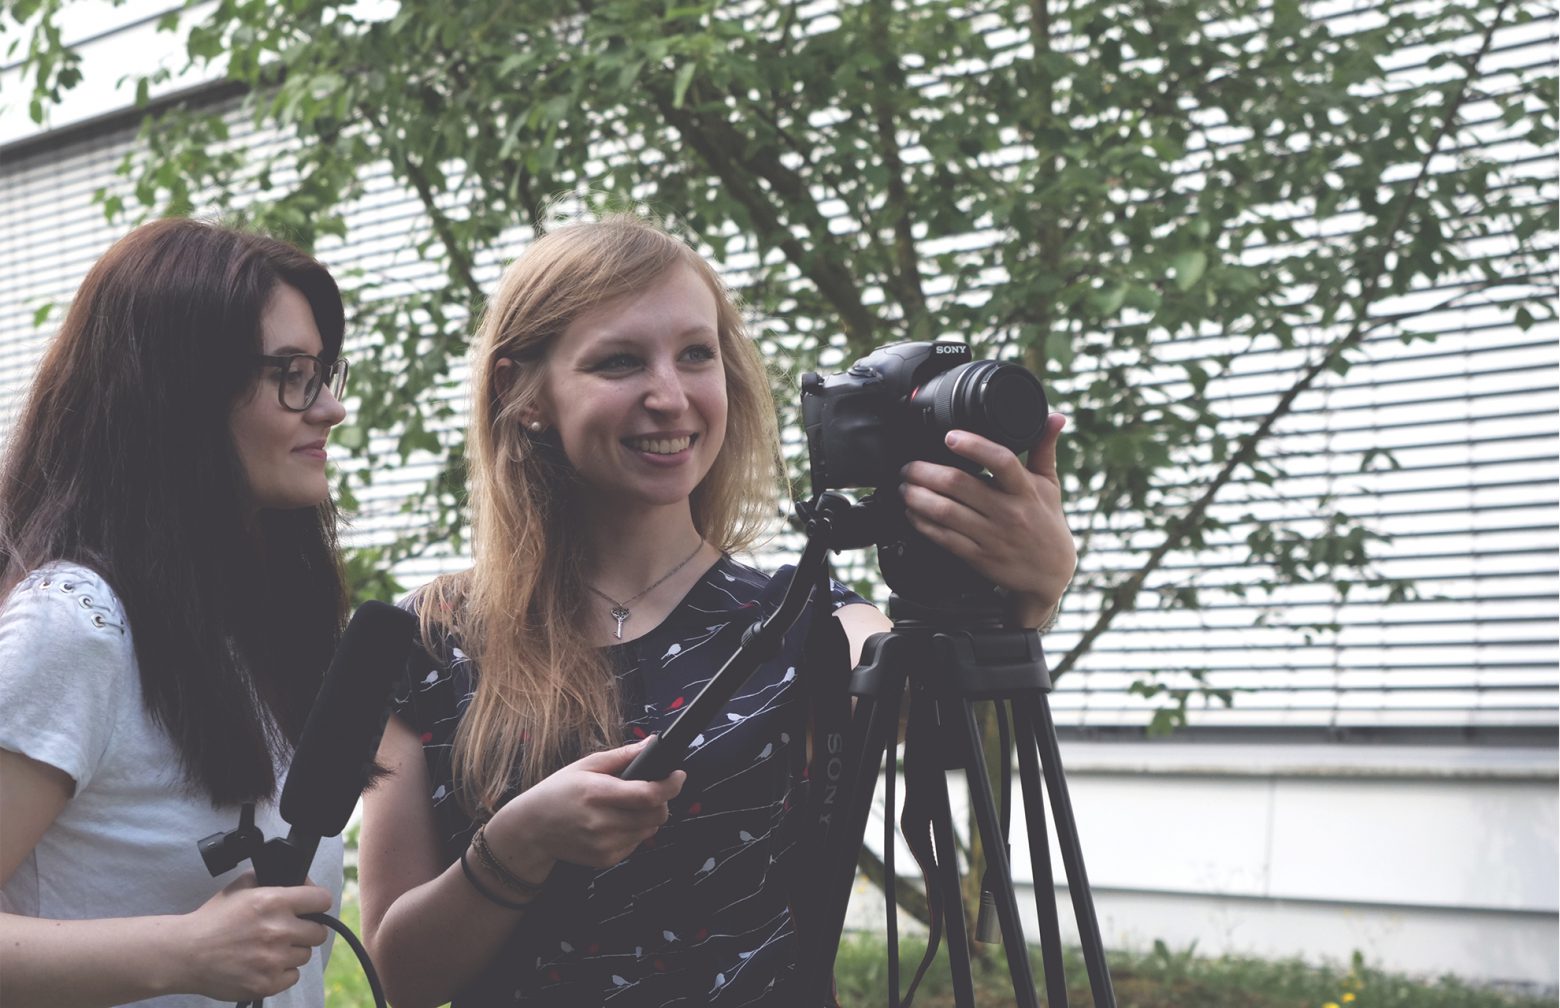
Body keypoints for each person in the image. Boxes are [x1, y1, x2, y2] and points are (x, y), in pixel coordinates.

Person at [359, 213, 1075, 1007]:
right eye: (620, 361)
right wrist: (517, 847)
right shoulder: (429, 640)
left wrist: (1026, 596)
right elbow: (397, 978)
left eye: (696, 355)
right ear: (523, 394)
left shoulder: (809, 620)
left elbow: (932, 694)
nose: (670, 397)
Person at [0, 218, 354, 1007]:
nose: (329, 407)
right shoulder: (79, 625)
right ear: (179, 392)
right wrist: (180, 951)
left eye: (326, 371)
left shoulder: (249, 629)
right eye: (292, 374)